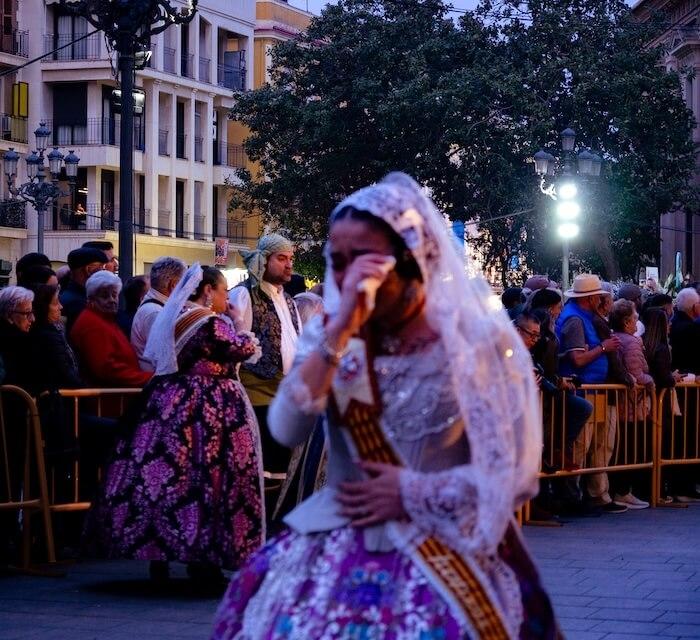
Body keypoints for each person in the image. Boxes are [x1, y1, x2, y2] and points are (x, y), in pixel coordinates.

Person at [212, 173, 557, 639]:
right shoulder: (332, 333)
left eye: (365, 260)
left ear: (414, 260)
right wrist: (340, 334)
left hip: (441, 550)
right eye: (337, 260)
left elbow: (513, 473)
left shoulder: (473, 343)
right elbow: (287, 428)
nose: (348, 275)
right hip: (331, 545)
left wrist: (412, 491)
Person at [87, 265, 264, 584]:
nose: (226, 298)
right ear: (208, 291)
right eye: (223, 291)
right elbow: (243, 350)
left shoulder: (174, 316)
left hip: (168, 401)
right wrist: (239, 324)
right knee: (208, 479)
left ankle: (160, 554)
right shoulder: (210, 322)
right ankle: (204, 559)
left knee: (169, 479)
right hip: (209, 407)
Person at [228, 233, 302, 479]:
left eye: (291, 258)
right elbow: (234, 348)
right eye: (282, 258)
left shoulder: (289, 301)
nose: (289, 264)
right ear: (264, 259)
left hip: (285, 395)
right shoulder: (244, 295)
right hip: (257, 395)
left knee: (284, 473)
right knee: (263, 474)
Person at [556, 274, 626, 513]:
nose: (601, 299)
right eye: (598, 296)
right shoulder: (576, 320)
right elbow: (578, 358)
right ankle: (571, 496)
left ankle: (590, 495)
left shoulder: (583, 317)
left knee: (593, 444)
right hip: (584, 389)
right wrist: (604, 348)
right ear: (591, 297)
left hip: (593, 388)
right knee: (580, 445)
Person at [70, 271, 152, 388]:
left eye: (114, 295)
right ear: (91, 299)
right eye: (104, 296)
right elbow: (107, 369)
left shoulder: (106, 319)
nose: (112, 300)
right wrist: (148, 378)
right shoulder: (92, 324)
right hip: (109, 400)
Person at [608, 299, 652, 510]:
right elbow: (637, 373)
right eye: (634, 318)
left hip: (623, 403)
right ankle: (623, 491)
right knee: (629, 447)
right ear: (626, 322)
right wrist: (651, 381)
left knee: (621, 446)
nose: (637, 321)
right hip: (632, 403)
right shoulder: (631, 342)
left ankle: (621, 490)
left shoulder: (616, 338)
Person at [131, 257, 187, 370]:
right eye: (185, 283)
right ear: (174, 285)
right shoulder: (156, 313)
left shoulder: (156, 308)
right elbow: (167, 359)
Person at [60, 247, 108, 334]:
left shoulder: (66, 295)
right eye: (102, 267)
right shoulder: (78, 303)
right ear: (89, 269)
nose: (105, 272)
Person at [0, 286, 34, 388]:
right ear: (8, 315)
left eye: (32, 312)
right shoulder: (17, 343)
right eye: (27, 313)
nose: (32, 319)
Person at [670, 287, 700, 375]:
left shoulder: (672, 321)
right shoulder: (693, 327)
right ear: (694, 306)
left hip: (675, 372)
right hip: (690, 376)